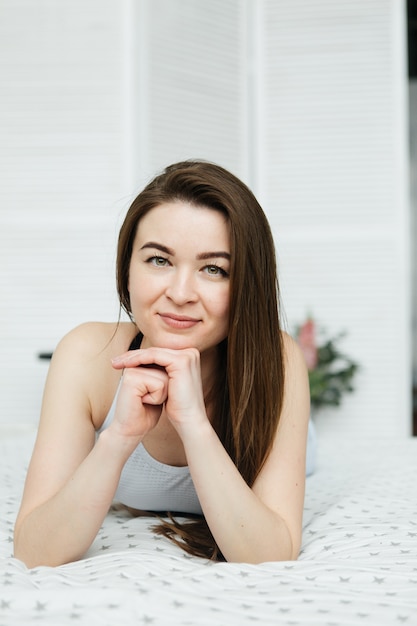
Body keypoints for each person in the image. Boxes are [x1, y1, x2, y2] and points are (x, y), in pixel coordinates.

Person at [14, 160, 311, 567]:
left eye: (214, 269)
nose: (181, 292)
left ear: (246, 284)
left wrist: (193, 424)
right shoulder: (87, 355)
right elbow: (35, 551)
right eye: (159, 260)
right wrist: (119, 436)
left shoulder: (277, 361)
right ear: (127, 270)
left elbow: (269, 555)